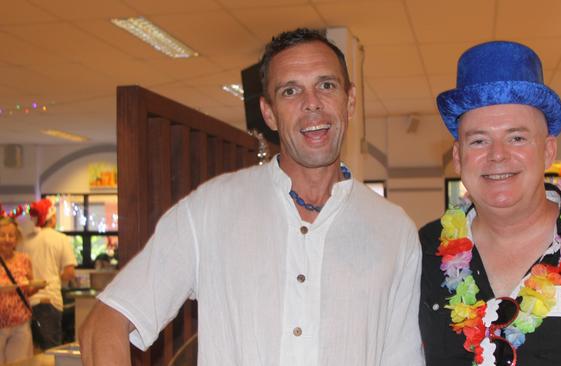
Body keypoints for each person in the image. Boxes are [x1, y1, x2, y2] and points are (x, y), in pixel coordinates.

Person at [79, 28, 424, 366]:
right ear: (269, 112)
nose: (312, 104)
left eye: (326, 85)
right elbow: (105, 324)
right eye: (291, 91)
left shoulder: (394, 230)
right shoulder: (210, 210)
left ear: (349, 101)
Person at [419, 41, 561, 366]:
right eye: (479, 140)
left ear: (549, 151)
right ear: (458, 157)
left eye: (517, 137)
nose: (497, 155)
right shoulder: (421, 253)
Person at [19, 198, 77, 350]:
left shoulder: (25, 241)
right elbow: (69, 273)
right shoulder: (60, 239)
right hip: (50, 301)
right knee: (51, 351)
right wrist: (58, 278)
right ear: (52, 217)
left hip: (26, 303)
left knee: (30, 351)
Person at [0, 216, 43, 364]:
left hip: (20, 322)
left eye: (11, 235)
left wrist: (36, 287)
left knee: (20, 363)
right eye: (2, 235)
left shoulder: (23, 259)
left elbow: (28, 290)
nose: (7, 239)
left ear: (16, 238)